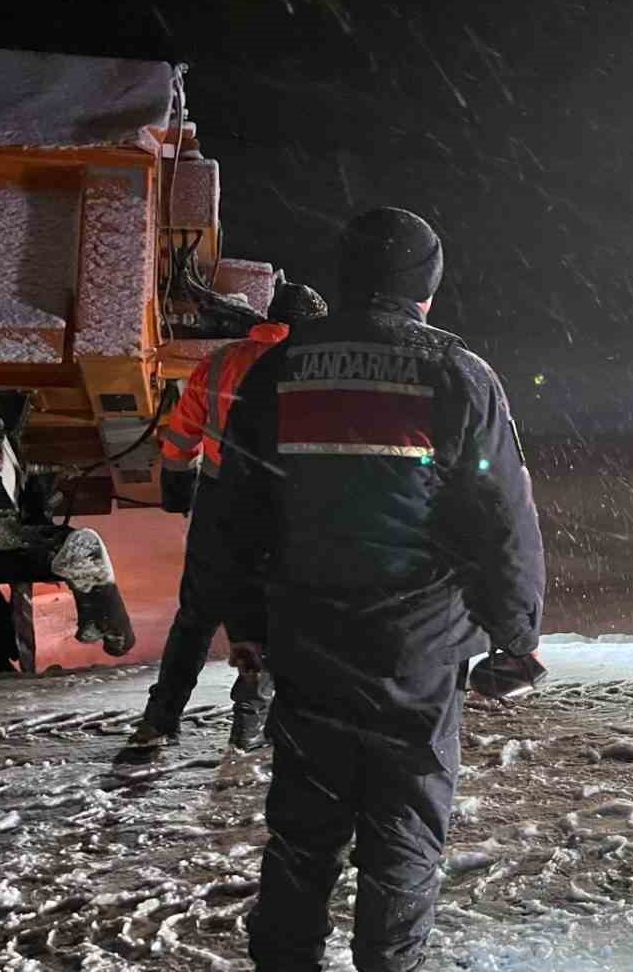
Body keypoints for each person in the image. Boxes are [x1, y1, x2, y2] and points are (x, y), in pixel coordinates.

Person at [217, 206, 546, 972]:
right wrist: (516, 637)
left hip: (308, 642)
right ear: (426, 285)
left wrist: (248, 624)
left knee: (302, 838)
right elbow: (504, 520)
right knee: (402, 840)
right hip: (416, 655)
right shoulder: (458, 375)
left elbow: (239, 508)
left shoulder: (281, 370)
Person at [129, 280, 328, 751]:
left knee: (196, 614)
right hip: (282, 506)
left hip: (218, 498)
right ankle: (248, 722)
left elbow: (181, 435)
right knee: (270, 613)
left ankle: (161, 718)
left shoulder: (220, 362)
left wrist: (177, 487)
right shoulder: (310, 369)